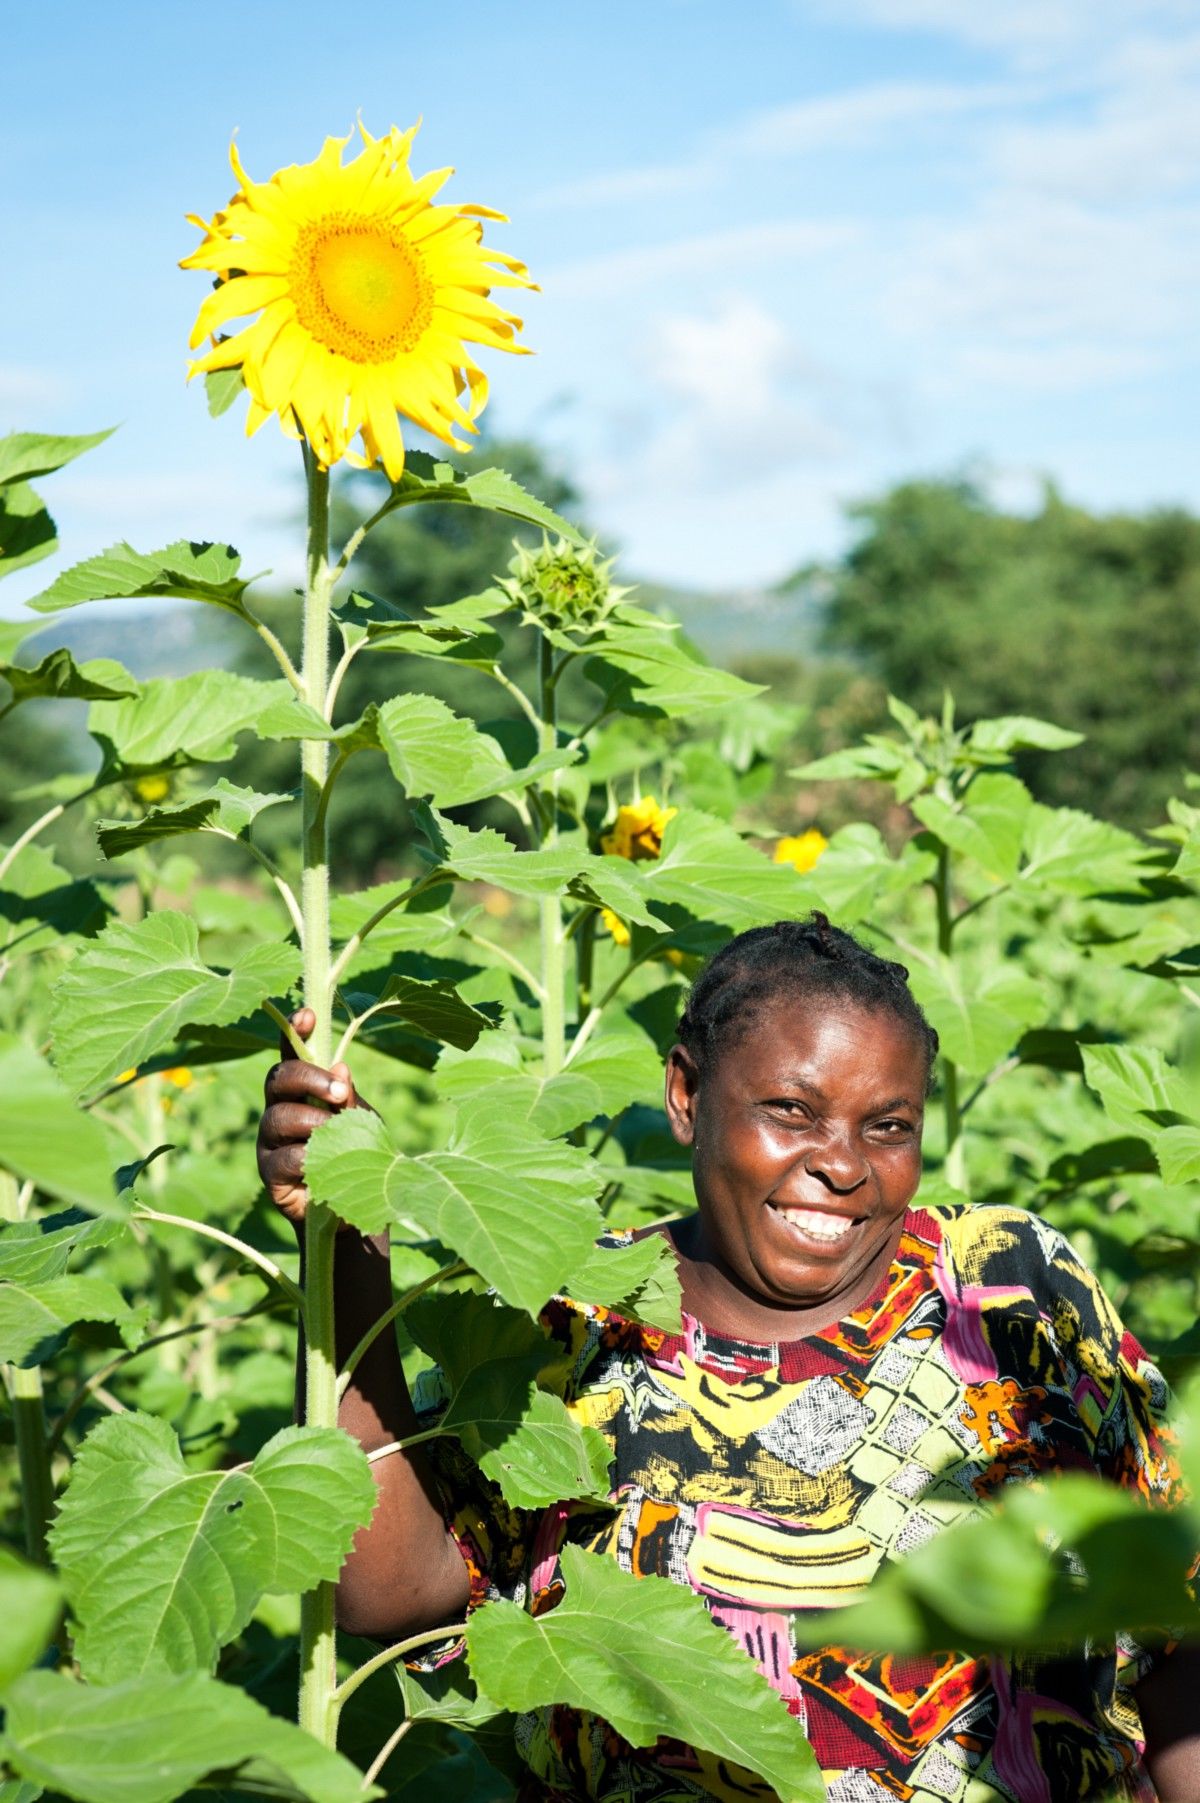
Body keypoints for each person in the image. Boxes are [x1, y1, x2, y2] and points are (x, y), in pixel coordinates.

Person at [259, 915, 1200, 1801]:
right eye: (791, 1110)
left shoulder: (1005, 1288)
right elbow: (390, 1593)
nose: (842, 1162)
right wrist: (353, 1237)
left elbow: (1173, 1619)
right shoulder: (581, 1325)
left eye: (888, 1125)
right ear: (687, 1094)